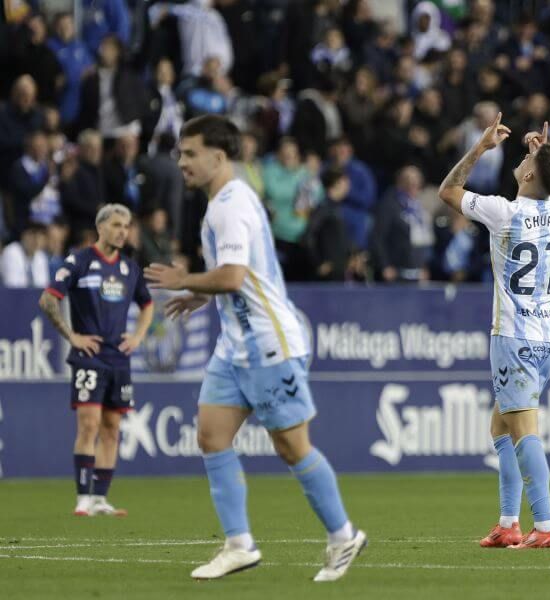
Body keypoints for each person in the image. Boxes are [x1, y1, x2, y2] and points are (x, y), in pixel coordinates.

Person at [144, 115, 365, 581]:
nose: (181, 162)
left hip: (268, 342)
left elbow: (234, 276)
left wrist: (187, 278)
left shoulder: (229, 206)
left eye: (190, 153)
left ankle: (343, 535)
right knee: (211, 435)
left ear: (218, 157)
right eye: (180, 153)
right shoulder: (226, 201)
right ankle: (239, 544)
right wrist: (201, 294)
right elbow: (237, 275)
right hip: (235, 345)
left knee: (291, 446)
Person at [438, 115, 550, 549]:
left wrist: (479, 149)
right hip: (549, 337)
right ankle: (508, 522)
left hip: (513, 338)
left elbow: (448, 192)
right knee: (501, 427)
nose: (522, 158)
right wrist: (541, 157)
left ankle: (546, 525)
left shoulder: (504, 213)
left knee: (525, 431)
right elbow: (546, 187)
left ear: (529, 173)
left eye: (527, 159)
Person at [38, 204, 154, 517]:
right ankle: (83, 497)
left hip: (119, 360)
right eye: (116, 225)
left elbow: (148, 305)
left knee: (112, 428)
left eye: (126, 226)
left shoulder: (130, 269)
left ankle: (101, 498)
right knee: (88, 424)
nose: (122, 231)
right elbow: (48, 299)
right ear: (100, 227)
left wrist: (138, 337)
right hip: (89, 358)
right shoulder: (79, 261)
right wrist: (72, 336)